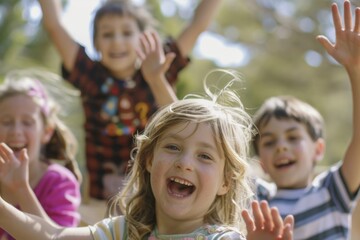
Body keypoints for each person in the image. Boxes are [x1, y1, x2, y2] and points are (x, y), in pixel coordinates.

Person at [0, 71, 294, 239]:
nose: (184, 162)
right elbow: (52, 236)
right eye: (173, 147)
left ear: (225, 182)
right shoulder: (125, 231)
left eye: (205, 156)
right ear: (149, 160)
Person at [37, 0, 223, 200]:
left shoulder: (157, 64)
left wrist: (157, 77)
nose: (117, 41)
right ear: (96, 43)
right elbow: (54, 26)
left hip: (155, 195)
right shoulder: (91, 76)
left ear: (143, 39)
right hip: (104, 198)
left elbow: (197, 26)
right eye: (107, 34)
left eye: (126, 33)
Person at [251, 1, 360, 239]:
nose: (281, 146)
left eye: (293, 137)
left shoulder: (332, 191)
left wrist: (355, 70)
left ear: (318, 149)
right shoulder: (256, 202)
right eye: (269, 142)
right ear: (261, 163)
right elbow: (203, 135)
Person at [0, 70, 83, 239]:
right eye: (6, 122)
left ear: (46, 132)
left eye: (27, 122)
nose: (16, 131)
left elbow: (58, 237)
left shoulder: (59, 183)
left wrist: (21, 189)